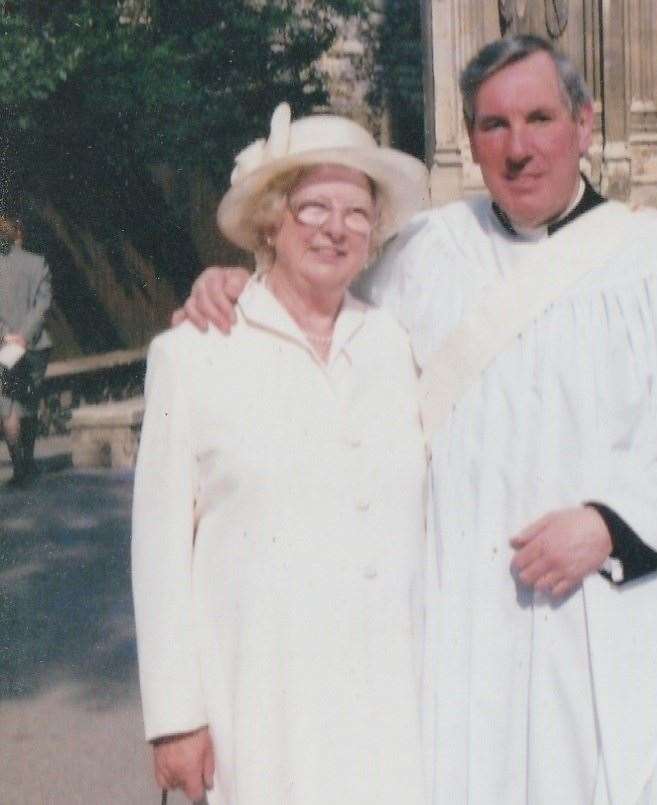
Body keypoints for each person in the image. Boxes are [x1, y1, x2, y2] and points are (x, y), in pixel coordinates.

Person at [180, 35, 657, 804]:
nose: (519, 148)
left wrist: (609, 525)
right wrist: (239, 282)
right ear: (470, 138)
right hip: (468, 635)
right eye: (494, 125)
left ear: (585, 124)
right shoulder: (425, 254)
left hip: (609, 622)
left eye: (539, 118)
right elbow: (320, 307)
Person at [132, 107, 430, 803]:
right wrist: (175, 720)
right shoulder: (195, 353)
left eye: (357, 212)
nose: (336, 227)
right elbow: (159, 549)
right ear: (270, 220)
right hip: (265, 704)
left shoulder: (396, 343)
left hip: (393, 702)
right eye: (314, 207)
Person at [0, 214, 53, 488]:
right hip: (34, 345)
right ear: (19, 234)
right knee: (29, 402)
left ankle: (20, 467)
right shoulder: (38, 263)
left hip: (3, 347)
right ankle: (29, 463)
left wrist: (6, 336)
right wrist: (24, 335)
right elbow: (43, 306)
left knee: (7, 404)